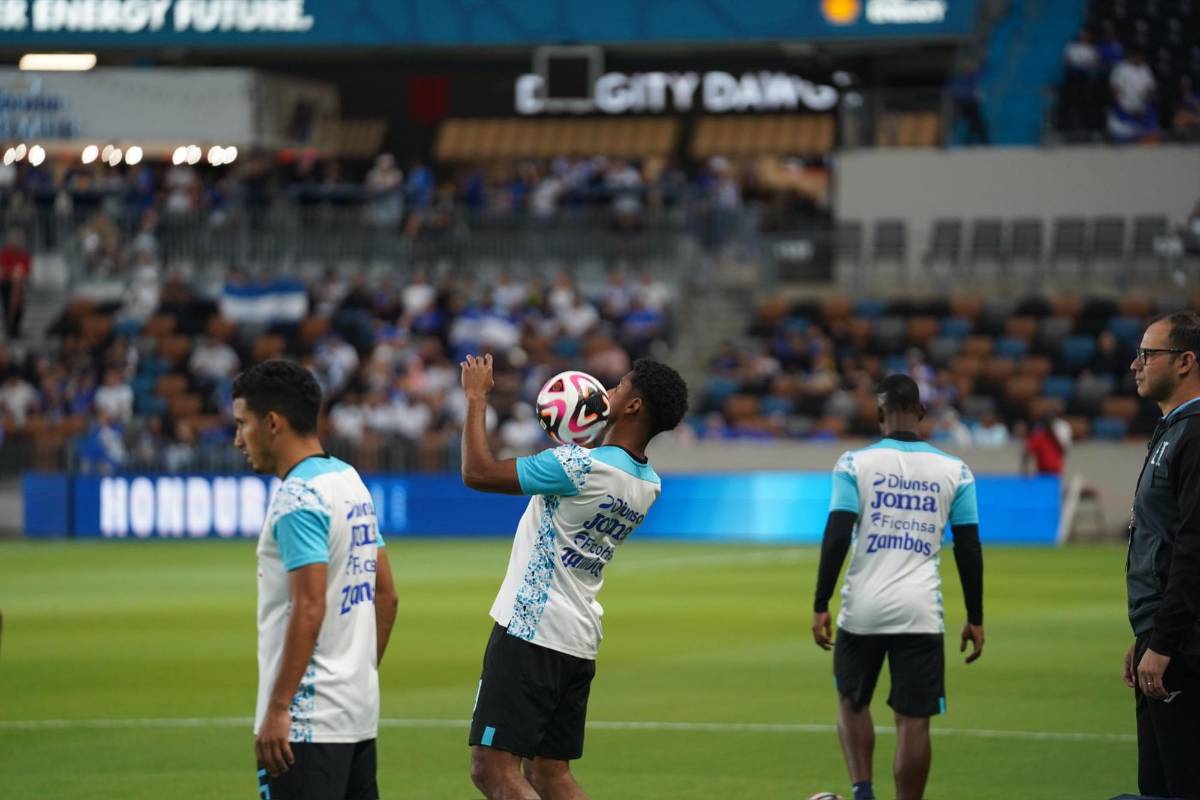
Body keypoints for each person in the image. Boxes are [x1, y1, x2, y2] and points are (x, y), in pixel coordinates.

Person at [459, 354, 688, 800]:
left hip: (531, 629)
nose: (606, 390)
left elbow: (478, 472)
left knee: (492, 770)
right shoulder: (648, 483)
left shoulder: (579, 467)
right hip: (578, 638)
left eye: (619, 387)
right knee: (549, 773)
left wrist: (475, 397)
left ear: (633, 406)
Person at [232, 360, 399, 800]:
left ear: (272, 423)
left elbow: (309, 606)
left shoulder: (298, 497)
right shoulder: (349, 479)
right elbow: (386, 596)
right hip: (356, 710)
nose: (237, 439)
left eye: (242, 424)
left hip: (305, 724)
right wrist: (355, 675)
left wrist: (278, 706)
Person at [812, 374, 984, 800]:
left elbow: (837, 534)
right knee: (914, 721)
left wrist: (821, 602)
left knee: (852, 701)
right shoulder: (956, 471)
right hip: (920, 611)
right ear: (922, 412)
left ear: (879, 413)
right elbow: (968, 547)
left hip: (863, 607)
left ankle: (863, 792)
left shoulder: (853, 464)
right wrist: (975, 617)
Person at [1123, 311, 1200, 798]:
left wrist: (1165, 640)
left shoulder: (1194, 434)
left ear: (1185, 361)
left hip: (1185, 648)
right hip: (1165, 636)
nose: (1136, 364)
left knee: (1180, 785)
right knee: (1155, 786)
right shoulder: (1173, 429)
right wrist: (1147, 634)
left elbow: (1193, 548)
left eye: (1148, 354)